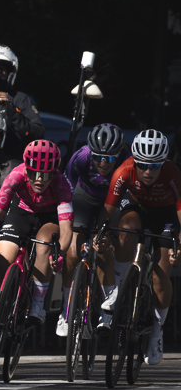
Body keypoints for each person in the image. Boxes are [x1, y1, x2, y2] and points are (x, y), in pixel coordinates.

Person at [0, 140, 72, 352]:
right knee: (3, 259)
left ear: (53, 173)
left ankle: (37, 301)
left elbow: (66, 229)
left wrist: (60, 252)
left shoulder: (62, 185)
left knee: (45, 244)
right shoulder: (16, 175)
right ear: (26, 168)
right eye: (34, 172)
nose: (39, 179)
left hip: (48, 218)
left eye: (45, 175)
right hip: (20, 214)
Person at [100, 129, 181, 364]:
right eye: (143, 164)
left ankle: (157, 329)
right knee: (125, 230)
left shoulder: (174, 174)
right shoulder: (124, 170)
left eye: (154, 166)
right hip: (138, 207)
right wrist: (100, 237)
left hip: (166, 215)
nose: (147, 171)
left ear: (163, 163)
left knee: (160, 274)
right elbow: (107, 212)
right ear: (135, 160)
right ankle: (118, 289)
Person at [56, 123, 128, 336]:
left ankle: (108, 308)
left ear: (119, 153)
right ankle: (66, 310)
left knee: (104, 245)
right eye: (98, 157)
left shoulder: (127, 160)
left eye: (109, 158)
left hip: (112, 201)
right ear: (91, 153)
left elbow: (129, 193)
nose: (103, 163)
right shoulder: (81, 156)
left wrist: (108, 228)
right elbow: (66, 188)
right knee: (73, 247)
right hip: (84, 197)